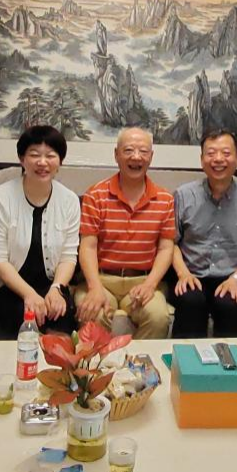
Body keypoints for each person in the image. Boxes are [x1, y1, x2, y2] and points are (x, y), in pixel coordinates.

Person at [75, 127, 174, 339]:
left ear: (151, 156)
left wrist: (150, 285)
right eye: (128, 150)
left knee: (158, 317)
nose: (136, 157)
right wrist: (94, 287)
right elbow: (88, 246)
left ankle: (138, 360)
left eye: (143, 151)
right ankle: (98, 362)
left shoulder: (165, 199)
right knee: (93, 313)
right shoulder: (96, 194)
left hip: (142, 280)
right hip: (102, 279)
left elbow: (166, 248)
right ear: (116, 155)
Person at [0, 125, 80, 340]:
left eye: (50, 156)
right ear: (22, 159)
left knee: (63, 325)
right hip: (6, 287)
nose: (42, 162)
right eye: (34, 155)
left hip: (50, 285)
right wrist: (29, 294)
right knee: (27, 321)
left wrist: (57, 288)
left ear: (60, 161)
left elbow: (69, 256)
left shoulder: (70, 200)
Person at [168, 129, 237, 338]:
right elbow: (171, 242)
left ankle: (229, 359)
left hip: (231, 275)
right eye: (211, 153)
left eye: (226, 153)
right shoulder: (184, 195)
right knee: (191, 301)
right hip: (191, 273)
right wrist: (183, 274)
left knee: (230, 304)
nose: (218, 159)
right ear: (202, 159)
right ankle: (184, 358)